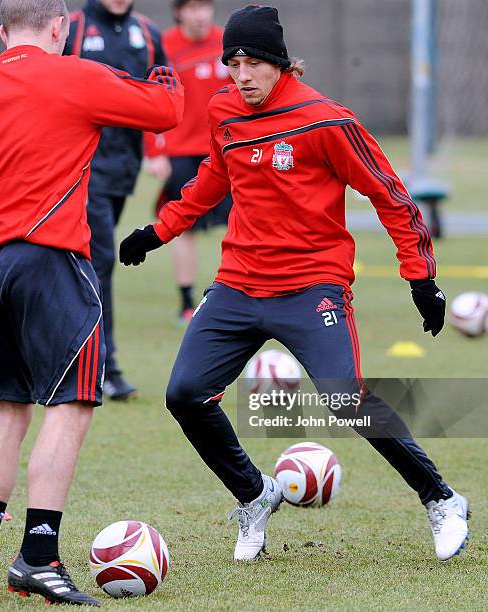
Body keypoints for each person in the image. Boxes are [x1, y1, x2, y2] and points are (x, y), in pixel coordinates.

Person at [119, 5, 469, 562]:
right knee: (183, 395)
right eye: (232, 62)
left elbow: (390, 194)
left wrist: (420, 278)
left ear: (279, 63)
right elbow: (214, 176)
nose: (241, 75)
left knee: (345, 400)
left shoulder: (325, 119)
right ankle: (255, 494)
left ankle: (442, 499)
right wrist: (158, 231)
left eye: (253, 61)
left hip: (313, 287)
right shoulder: (223, 110)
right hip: (237, 284)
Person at [0, 0, 182, 602]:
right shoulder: (78, 74)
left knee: (8, 410)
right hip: (51, 263)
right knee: (70, 408)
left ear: (1, 32)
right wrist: (163, 68)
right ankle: (39, 557)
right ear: (60, 27)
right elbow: (166, 111)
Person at [64, 0, 168, 401]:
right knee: (100, 261)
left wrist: (158, 146)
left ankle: (83, 356)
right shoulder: (71, 28)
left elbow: (165, 88)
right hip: (81, 168)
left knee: (92, 263)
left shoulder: (148, 32)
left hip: (123, 170)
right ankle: (103, 366)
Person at [145, 0, 232, 326]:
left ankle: (242, 293)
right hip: (181, 151)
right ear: (179, 11)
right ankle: (186, 302)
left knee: (246, 220)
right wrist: (154, 152)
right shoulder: (164, 46)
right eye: (192, 8)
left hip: (226, 149)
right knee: (182, 227)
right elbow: (149, 97)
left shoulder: (227, 41)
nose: (200, 14)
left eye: (205, 6)